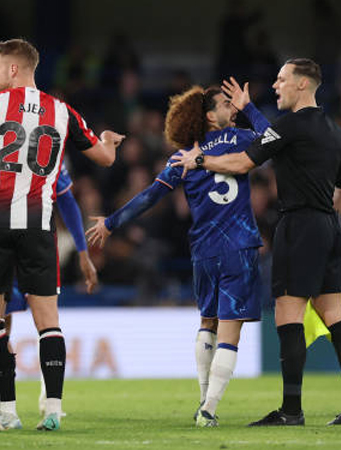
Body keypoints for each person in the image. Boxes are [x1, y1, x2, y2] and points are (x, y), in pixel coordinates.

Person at [0, 38, 123, 431]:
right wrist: (111, 140)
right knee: (48, 322)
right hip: (38, 228)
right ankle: (51, 412)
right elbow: (104, 157)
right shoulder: (62, 111)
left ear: (14, 69)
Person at [171, 58, 341, 426]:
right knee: (334, 313)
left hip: (299, 225)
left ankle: (292, 411)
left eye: (282, 80)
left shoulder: (290, 126)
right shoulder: (335, 131)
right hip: (330, 226)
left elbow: (240, 163)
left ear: (302, 84)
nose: (276, 85)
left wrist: (200, 159)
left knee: (288, 314)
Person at [87, 79, 269, 427]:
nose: (232, 108)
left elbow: (149, 197)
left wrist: (111, 223)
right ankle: (209, 410)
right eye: (226, 105)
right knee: (230, 330)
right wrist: (250, 109)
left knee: (207, 323)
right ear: (211, 116)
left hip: (203, 250)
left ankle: (202, 399)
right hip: (240, 246)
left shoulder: (183, 157)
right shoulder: (244, 139)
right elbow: (276, 140)